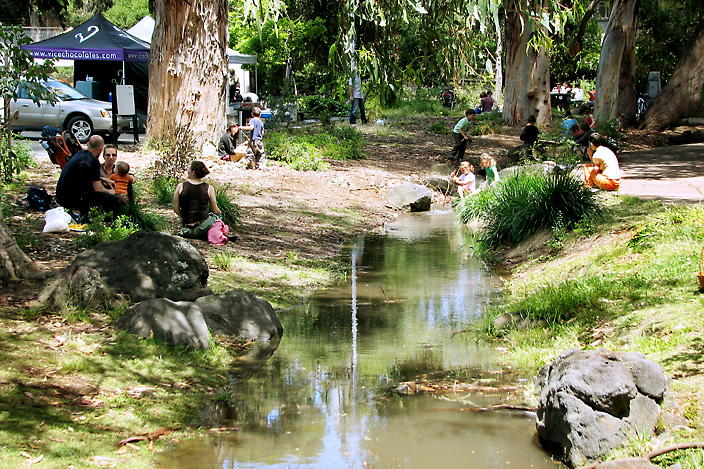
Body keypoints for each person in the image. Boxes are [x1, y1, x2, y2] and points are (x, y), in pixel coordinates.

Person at [56, 135, 120, 223]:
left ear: (88, 144)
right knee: (113, 199)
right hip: (70, 199)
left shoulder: (80, 154)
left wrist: (104, 180)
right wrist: (111, 192)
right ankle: (108, 220)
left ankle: (84, 213)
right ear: (101, 149)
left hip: (61, 194)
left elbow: (84, 176)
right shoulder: (92, 161)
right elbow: (98, 188)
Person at [173, 161, 222, 239]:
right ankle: (215, 235)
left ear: (193, 172)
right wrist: (220, 214)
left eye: (188, 169)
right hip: (202, 227)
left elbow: (176, 209)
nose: (187, 171)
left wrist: (186, 218)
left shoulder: (180, 186)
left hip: (186, 230)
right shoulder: (208, 188)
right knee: (216, 216)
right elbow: (215, 210)